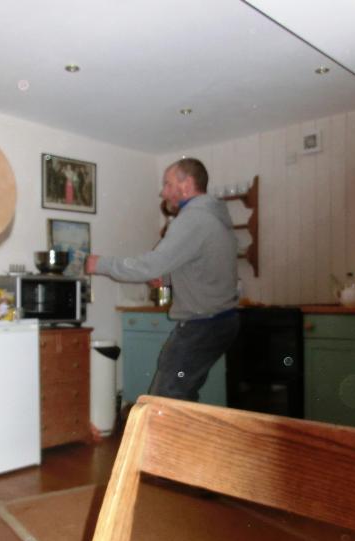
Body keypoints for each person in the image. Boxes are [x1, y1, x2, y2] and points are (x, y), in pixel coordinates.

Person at [85, 158, 239, 401]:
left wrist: (101, 264)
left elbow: (150, 265)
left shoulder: (194, 218)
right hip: (219, 322)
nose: (163, 192)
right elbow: (197, 261)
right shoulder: (212, 216)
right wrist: (165, 278)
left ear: (186, 185)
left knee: (166, 398)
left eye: (168, 184)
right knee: (179, 394)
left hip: (203, 326)